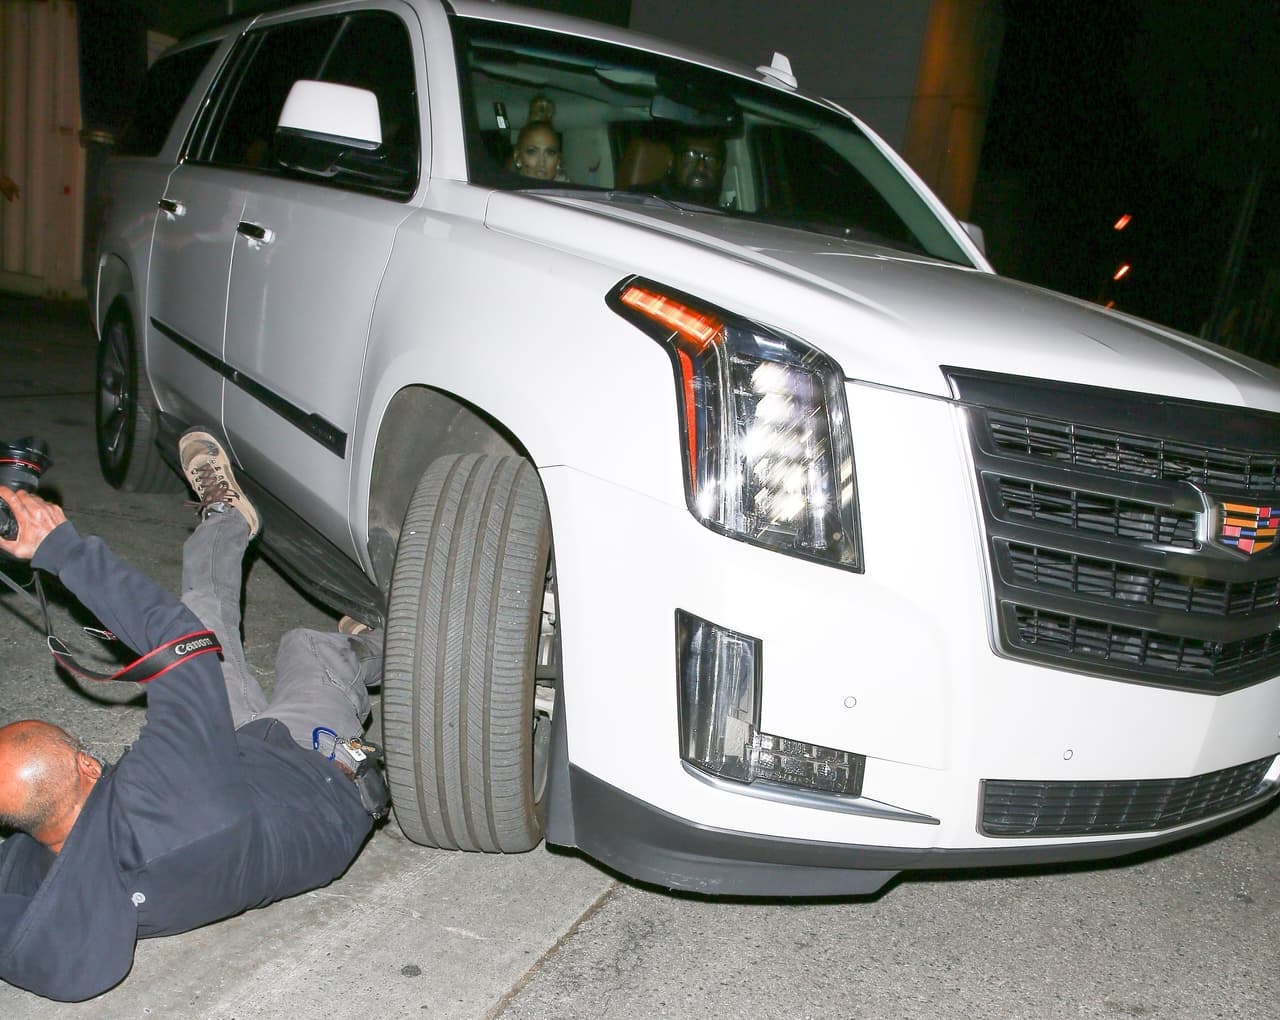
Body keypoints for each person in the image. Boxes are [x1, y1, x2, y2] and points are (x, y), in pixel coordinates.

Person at [0, 429, 384, 1002]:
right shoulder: (159, 793)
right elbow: (181, 645)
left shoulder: (38, 878)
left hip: (232, 778)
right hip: (315, 780)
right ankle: (393, 639)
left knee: (205, 607)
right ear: (86, 764)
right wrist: (59, 547)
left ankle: (227, 514)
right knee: (308, 649)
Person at [663, 133, 726, 204]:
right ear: (671, 161)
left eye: (711, 159)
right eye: (691, 156)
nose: (701, 168)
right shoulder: (653, 203)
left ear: (722, 169)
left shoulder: (722, 210)